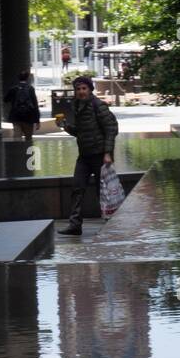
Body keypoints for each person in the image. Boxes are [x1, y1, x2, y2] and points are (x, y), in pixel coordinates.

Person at [56, 75, 118, 237]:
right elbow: (79, 132)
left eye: (84, 88)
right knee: (77, 188)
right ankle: (75, 225)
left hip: (99, 155)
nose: (81, 92)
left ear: (90, 89)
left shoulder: (98, 105)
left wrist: (107, 153)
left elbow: (111, 128)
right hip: (84, 156)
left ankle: (110, 224)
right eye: (78, 89)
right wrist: (64, 126)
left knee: (103, 192)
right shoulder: (77, 106)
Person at [4, 70, 40, 144]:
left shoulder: (13, 89)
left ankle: (17, 153)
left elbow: (5, 100)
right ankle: (28, 154)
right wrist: (37, 120)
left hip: (16, 116)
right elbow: (35, 104)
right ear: (27, 78)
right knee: (28, 137)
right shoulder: (30, 89)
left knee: (17, 136)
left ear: (18, 78)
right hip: (29, 116)